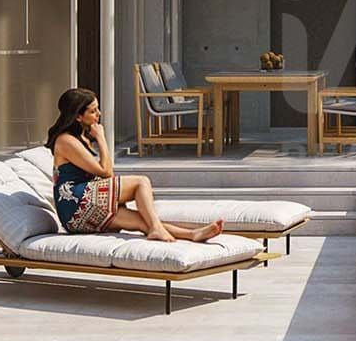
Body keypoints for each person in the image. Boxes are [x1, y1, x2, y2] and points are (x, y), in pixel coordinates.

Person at [46, 89, 223, 243]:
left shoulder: (82, 138)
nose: (98, 114)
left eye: (97, 108)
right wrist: (101, 138)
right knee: (141, 182)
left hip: (81, 211)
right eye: (93, 111)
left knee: (140, 220)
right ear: (77, 116)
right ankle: (156, 228)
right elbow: (106, 172)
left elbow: (104, 173)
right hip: (77, 205)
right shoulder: (66, 140)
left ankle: (192, 234)